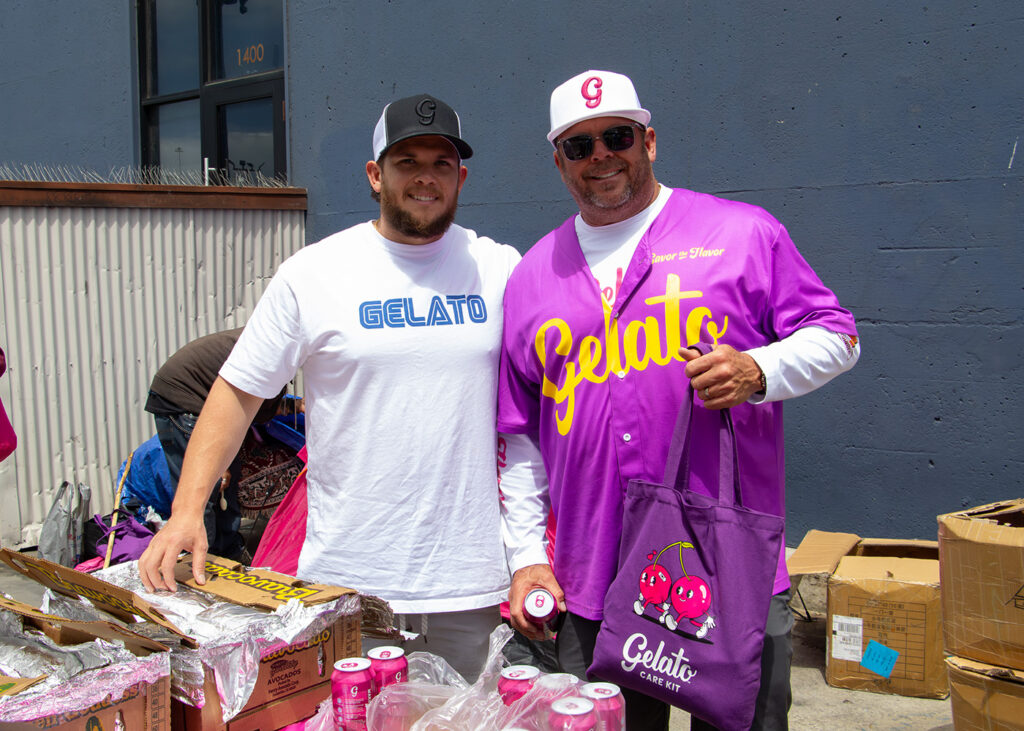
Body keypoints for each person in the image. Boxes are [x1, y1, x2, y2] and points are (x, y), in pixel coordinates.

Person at [497, 70, 860, 730]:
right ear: (559, 162)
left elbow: (837, 335)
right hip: (592, 567)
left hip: (727, 563)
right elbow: (520, 436)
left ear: (650, 140)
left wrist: (759, 368)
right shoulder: (532, 276)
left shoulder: (742, 233)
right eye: (580, 146)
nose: (602, 155)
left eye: (618, 136)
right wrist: (526, 557)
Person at [139, 94, 521, 682]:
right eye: (406, 161)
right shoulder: (314, 273)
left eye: (441, 163)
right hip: (350, 578)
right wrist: (185, 511)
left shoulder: (499, 269)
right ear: (375, 175)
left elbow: (567, 366)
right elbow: (237, 393)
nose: (426, 176)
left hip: (465, 580)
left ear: (461, 177)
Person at [144, 327, 290, 563]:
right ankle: (206, 561)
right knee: (207, 488)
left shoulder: (273, 341)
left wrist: (292, 406)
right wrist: (217, 462)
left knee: (227, 485)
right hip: (185, 402)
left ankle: (228, 554)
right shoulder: (268, 347)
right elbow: (248, 403)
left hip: (196, 400)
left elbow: (257, 403)